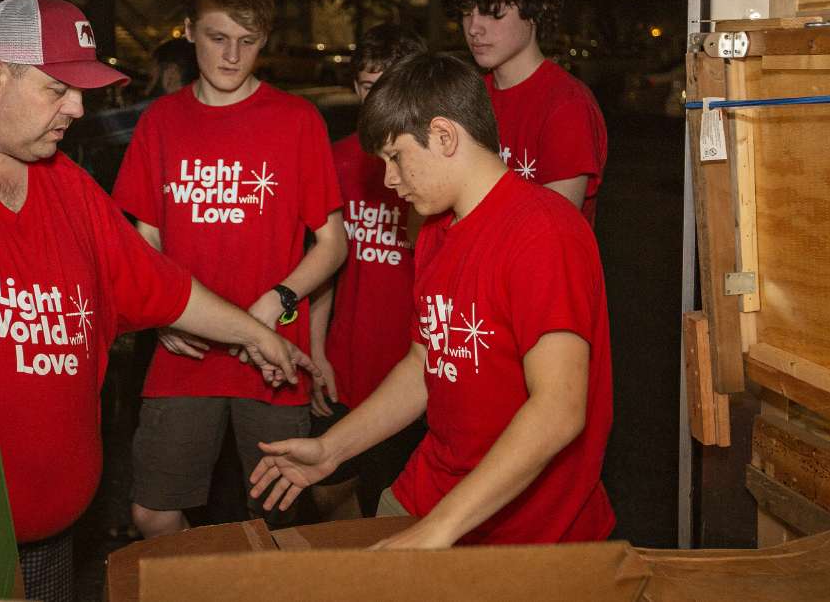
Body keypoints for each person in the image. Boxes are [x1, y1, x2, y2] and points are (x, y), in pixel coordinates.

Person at [0, 0, 320, 600]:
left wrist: (257, 334)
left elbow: (161, 285)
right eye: (58, 89)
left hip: (52, 531)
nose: (77, 108)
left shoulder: (66, 184)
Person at [250, 53, 615, 548]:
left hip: (531, 525)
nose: (389, 179)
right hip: (429, 491)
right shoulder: (434, 232)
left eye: (395, 157)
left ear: (443, 136)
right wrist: (332, 449)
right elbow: (425, 363)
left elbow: (559, 408)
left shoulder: (543, 231)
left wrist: (438, 530)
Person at [112, 0, 348, 538]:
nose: (232, 55)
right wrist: (162, 313)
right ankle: (202, 580)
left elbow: (333, 243)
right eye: (218, 38)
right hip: (186, 351)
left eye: (248, 41)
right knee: (151, 511)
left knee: (278, 520)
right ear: (190, 30)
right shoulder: (161, 121)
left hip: (274, 359)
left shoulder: (297, 120)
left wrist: (278, 300)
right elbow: (144, 242)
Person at [306, 23, 427, 520]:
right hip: (344, 361)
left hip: (411, 370)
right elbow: (323, 265)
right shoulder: (337, 160)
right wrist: (315, 351)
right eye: (367, 86)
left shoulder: (434, 170)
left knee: (394, 504)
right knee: (326, 488)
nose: (377, 101)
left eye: (390, 86)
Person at [456, 0, 608, 224]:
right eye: (466, 12)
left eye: (493, 12)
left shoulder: (567, 105)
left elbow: (553, 226)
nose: (473, 28)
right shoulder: (468, 96)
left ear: (534, 14)